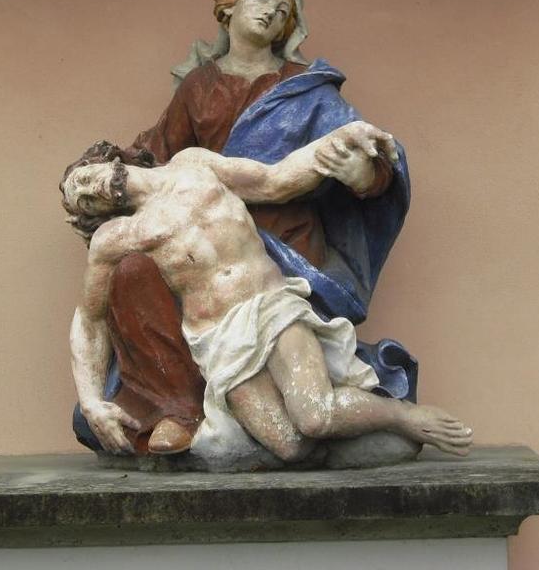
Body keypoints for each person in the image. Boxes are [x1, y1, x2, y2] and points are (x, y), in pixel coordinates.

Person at [74, 0, 414, 455]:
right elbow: (155, 154)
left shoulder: (307, 88)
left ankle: (355, 415)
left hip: (286, 242)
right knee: (131, 272)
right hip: (201, 236)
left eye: (283, 11)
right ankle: (176, 407)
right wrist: (94, 180)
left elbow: (364, 154)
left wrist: (365, 174)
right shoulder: (198, 87)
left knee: (296, 415)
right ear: (228, 5)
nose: (271, 11)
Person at [62, 130, 471, 465]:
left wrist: (340, 138)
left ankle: (404, 416)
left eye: (82, 179)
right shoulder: (115, 237)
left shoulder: (193, 165)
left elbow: (275, 181)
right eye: (83, 202)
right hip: (219, 338)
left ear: (104, 158)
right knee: (288, 446)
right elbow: (90, 319)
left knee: (314, 415)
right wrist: (91, 400)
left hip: (272, 305)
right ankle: (357, 443)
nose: (88, 191)